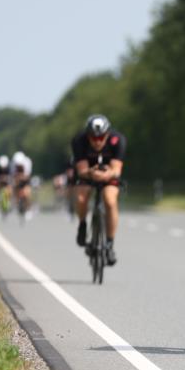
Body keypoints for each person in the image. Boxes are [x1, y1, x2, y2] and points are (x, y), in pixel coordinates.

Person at [71, 114, 125, 266]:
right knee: (81, 198)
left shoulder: (117, 140)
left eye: (101, 138)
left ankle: (109, 243)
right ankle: (82, 224)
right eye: (93, 138)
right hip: (88, 172)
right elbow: (81, 170)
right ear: (87, 135)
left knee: (110, 200)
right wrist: (91, 172)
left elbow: (117, 170)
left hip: (109, 173)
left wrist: (106, 174)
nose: (97, 141)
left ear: (107, 134)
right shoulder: (79, 141)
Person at [10, 151, 33, 218]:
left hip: (25, 180)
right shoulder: (12, 164)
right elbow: (13, 176)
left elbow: (27, 176)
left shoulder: (27, 162)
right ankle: (17, 204)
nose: (19, 166)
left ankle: (28, 209)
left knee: (27, 193)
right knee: (14, 189)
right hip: (17, 179)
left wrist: (20, 177)